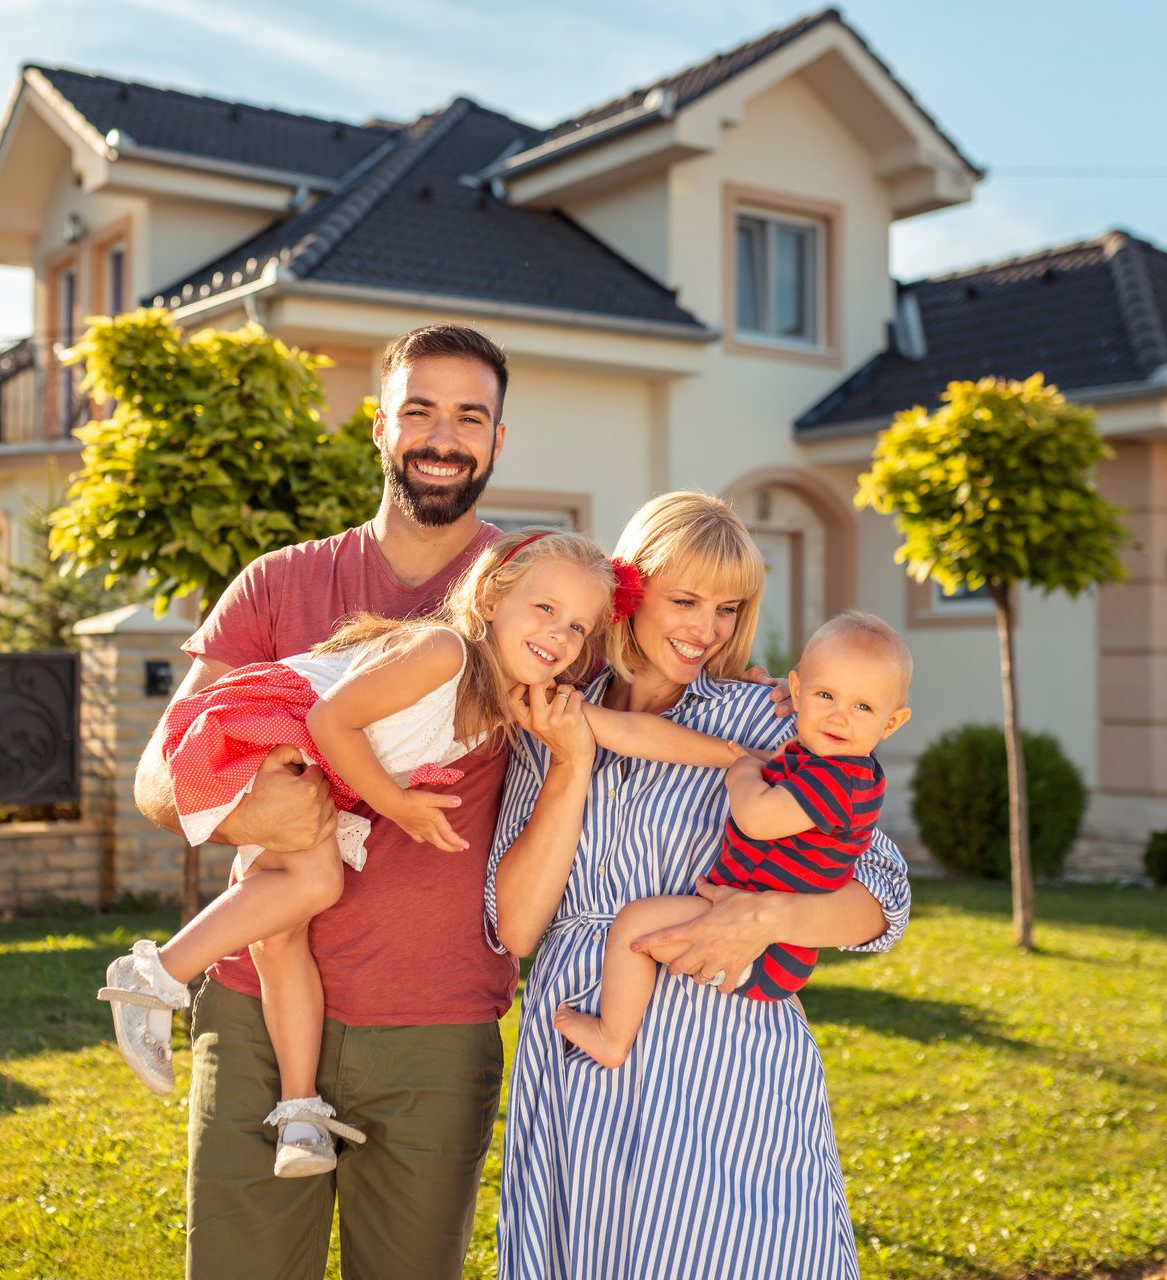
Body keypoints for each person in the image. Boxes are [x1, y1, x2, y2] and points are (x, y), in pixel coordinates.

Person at [105, 529, 745, 1179]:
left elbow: (628, 731)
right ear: (492, 597)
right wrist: (398, 803)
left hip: (318, 766)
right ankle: (155, 976)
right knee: (311, 888)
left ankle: (300, 1115)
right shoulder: (442, 651)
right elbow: (329, 720)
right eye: (545, 609)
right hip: (272, 731)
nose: (559, 635)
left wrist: (738, 755)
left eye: (579, 628)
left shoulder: (511, 698)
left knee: (282, 932)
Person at [131, 323, 517, 1280]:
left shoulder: (531, 598)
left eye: (470, 416)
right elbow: (154, 774)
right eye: (419, 409)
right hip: (257, 1009)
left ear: (498, 440)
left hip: (437, 1020)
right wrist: (255, 817)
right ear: (378, 426)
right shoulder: (281, 581)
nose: (443, 435)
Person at [487, 491, 913, 1280]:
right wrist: (572, 762)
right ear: (630, 591)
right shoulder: (549, 721)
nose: (706, 628)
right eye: (684, 600)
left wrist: (768, 914)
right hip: (581, 1046)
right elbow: (514, 929)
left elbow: (884, 898)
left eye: (729, 607)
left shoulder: (769, 718)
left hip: (720, 1058)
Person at [552, 609, 913, 1067]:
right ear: (798, 690)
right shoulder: (815, 758)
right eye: (826, 695)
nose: (840, 717)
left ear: (892, 722)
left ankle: (612, 1037)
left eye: (863, 707)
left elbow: (758, 819)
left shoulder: (844, 776)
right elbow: (640, 734)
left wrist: (742, 771)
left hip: (767, 945)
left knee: (634, 927)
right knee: (644, 931)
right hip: (752, 927)